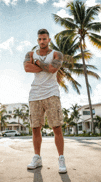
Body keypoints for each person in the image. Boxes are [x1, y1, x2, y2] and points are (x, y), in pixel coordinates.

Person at [23, 29, 67, 174]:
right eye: (40, 39)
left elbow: (53, 69)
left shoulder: (57, 54)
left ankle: (61, 158)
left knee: (56, 127)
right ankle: (37, 157)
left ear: (49, 40)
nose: (42, 41)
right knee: (35, 128)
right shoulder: (30, 54)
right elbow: (26, 68)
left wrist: (36, 63)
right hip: (35, 94)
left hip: (52, 93)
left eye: (44, 39)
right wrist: (43, 66)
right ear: (38, 40)